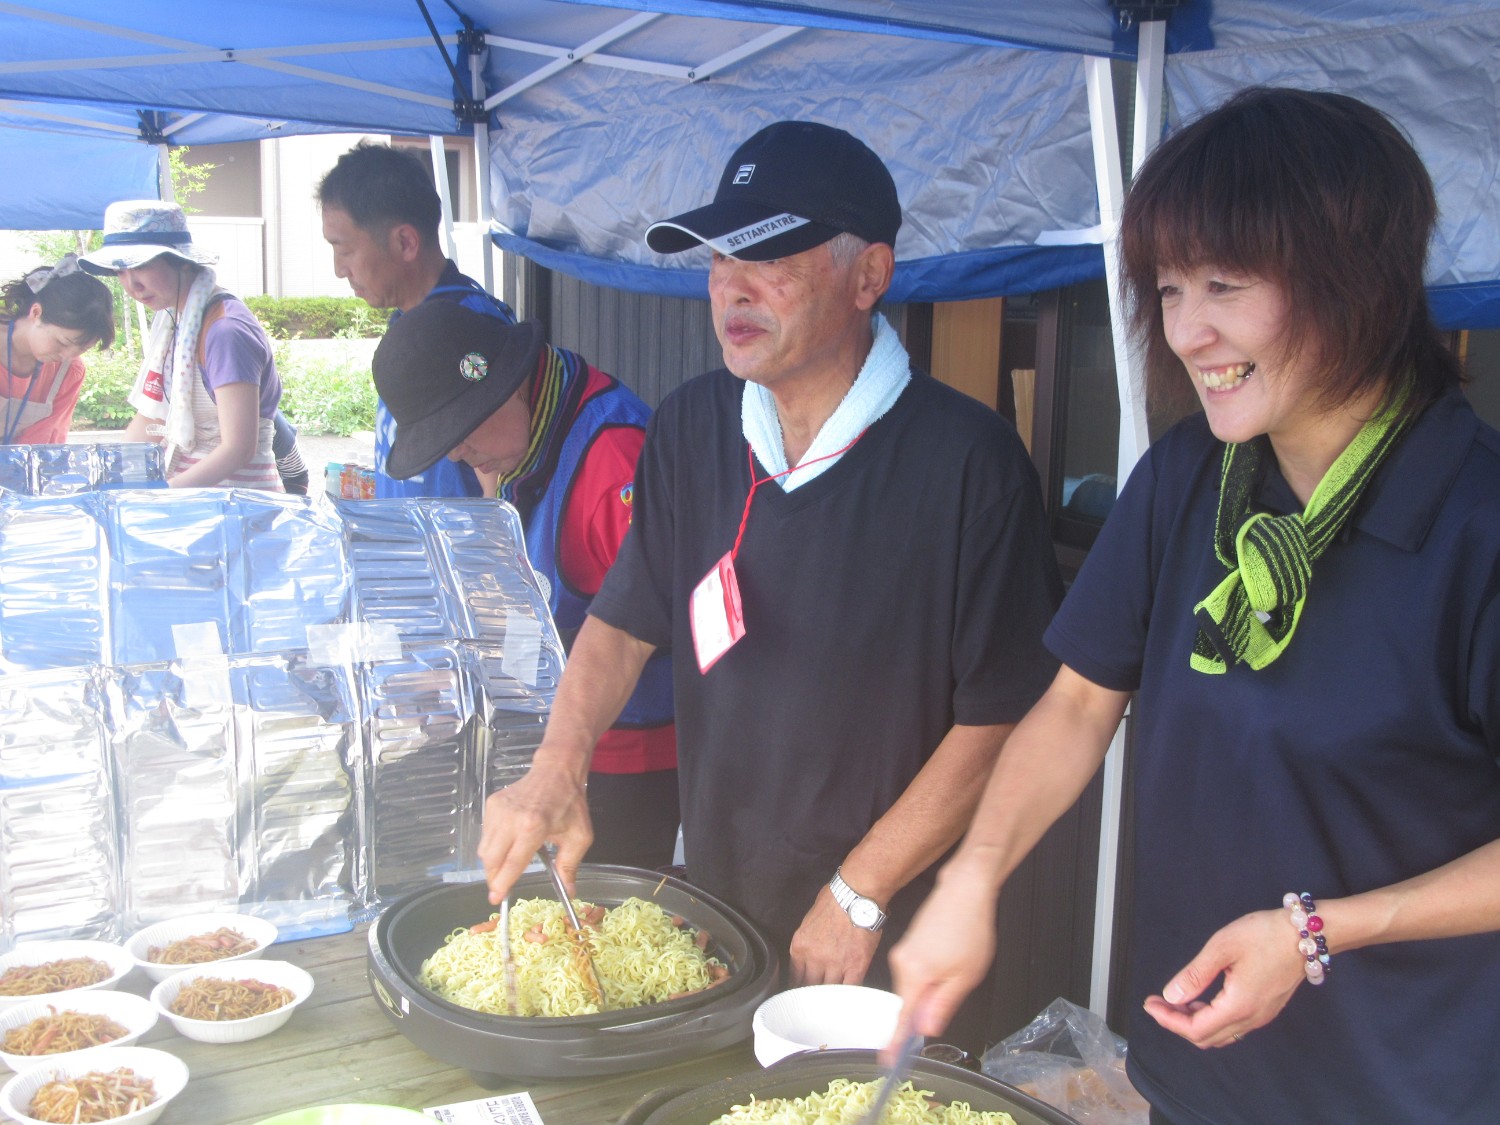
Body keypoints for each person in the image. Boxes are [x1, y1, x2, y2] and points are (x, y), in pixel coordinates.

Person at [886, 87, 1500, 1124]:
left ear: (1359, 281)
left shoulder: (1473, 515)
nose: (1188, 332)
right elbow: (1079, 705)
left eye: (1227, 284)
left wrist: (1318, 933)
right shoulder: (1189, 479)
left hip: (1407, 1089)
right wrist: (970, 881)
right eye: (1168, 290)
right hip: (1197, 1071)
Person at [476, 120, 1062, 1044]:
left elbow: (999, 719)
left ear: (869, 276)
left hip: (892, 928)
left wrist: (861, 891)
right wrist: (557, 768)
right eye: (716, 260)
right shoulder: (692, 425)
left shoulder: (969, 461)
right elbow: (624, 621)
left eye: (771, 258)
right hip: (724, 901)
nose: (731, 290)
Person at [372, 299, 679, 869]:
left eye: (461, 431)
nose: (458, 453)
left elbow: (653, 623)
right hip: (551, 730)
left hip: (626, 745)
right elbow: (513, 578)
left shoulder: (614, 461)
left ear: (513, 386)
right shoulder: (523, 433)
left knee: (605, 912)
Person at [317, 141, 515, 500]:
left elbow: (496, 482)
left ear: (406, 242)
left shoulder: (471, 330)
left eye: (345, 250)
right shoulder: (408, 321)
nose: (338, 270)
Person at [79, 201, 285, 489]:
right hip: (189, 496)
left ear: (181, 261)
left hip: (237, 501)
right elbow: (150, 419)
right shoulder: (173, 319)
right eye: (120, 271)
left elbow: (238, 449)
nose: (131, 285)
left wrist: (160, 494)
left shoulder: (225, 330)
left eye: (141, 266)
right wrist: (109, 480)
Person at [1, 255, 115, 445]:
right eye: (63, 342)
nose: (67, 356)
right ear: (36, 313)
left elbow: (43, 444)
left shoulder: (70, 371)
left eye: (83, 348)